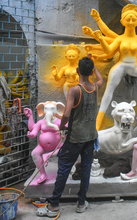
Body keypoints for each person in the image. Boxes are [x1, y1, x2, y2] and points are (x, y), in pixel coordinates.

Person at [83, 4, 137, 130]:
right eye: (128, 19)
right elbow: (109, 52)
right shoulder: (120, 39)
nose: (130, 22)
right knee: (109, 91)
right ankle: (98, 121)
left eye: (133, 19)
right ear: (122, 21)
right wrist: (101, 39)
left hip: (134, 67)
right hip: (121, 66)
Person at [37, 55, 103, 217]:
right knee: (86, 169)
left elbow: (66, 114)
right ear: (91, 71)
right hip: (90, 137)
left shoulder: (74, 90)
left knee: (64, 169)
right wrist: (94, 68)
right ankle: (81, 203)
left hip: (74, 137)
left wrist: (61, 128)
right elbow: (101, 79)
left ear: (77, 71)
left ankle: (53, 206)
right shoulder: (95, 87)